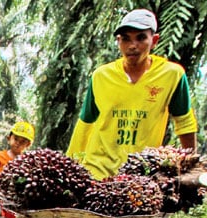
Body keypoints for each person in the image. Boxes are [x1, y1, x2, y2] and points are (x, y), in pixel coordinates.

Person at [67, 8, 198, 180]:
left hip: (141, 174)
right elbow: (86, 123)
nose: (132, 45)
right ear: (118, 41)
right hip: (98, 171)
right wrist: (69, 165)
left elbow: (184, 122)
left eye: (141, 37)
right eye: (126, 39)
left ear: (154, 41)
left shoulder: (171, 75)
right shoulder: (101, 76)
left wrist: (191, 168)